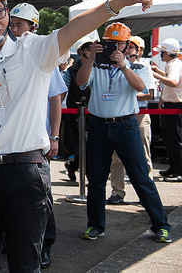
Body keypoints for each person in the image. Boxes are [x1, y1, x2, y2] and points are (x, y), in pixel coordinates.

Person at [0, 0, 163, 271]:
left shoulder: (34, 49)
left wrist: (120, 2)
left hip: (26, 171)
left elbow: (75, 28)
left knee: (26, 261)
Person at [76, 23, 171, 243]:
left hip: (126, 125)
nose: (115, 48)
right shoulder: (95, 66)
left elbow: (141, 89)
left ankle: (161, 225)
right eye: (110, 44)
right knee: (97, 179)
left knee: (140, 177)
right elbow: (81, 82)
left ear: (128, 46)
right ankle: (95, 226)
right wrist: (90, 58)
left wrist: (123, 65)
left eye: (120, 44)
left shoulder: (138, 67)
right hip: (99, 125)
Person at [10, 2, 67, 269]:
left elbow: (56, 99)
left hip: (38, 142)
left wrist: (54, 136)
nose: (14, 29)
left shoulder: (43, 54)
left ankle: (46, 245)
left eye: (19, 24)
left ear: (33, 26)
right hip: (15, 143)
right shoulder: (8, 53)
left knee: (42, 197)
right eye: (12, 24)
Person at [107, 35, 155, 203]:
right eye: (122, 45)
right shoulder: (111, 67)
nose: (127, 49)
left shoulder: (142, 67)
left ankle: (147, 193)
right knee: (116, 157)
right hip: (119, 116)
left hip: (139, 116)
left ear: (139, 50)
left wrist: (128, 95)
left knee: (143, 155)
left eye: (131, 47)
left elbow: (149, 93)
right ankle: (117, 191)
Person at [63, 36, 94, 181]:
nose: (92, 51)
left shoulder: (98, 67)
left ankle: (73, 165)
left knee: (90, 146)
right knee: (83, 144)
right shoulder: (70, 71)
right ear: (80, 51)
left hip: (93, 113)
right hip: (76, 113)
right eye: (89, 49)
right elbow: (62, 90)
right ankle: (88, 175)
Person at [151, 38, 182, 182]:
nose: (161, 55)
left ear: (167, 53)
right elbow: (171, 79)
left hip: (175, 106)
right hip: (172, 105)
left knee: (175, 139)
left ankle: (179, 170)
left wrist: (155, 75)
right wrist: (159, 72)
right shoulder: (173, 64)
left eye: (162, 52)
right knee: (170, 138)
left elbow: (173, 82)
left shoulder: (174, 65)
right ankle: (174, 166)